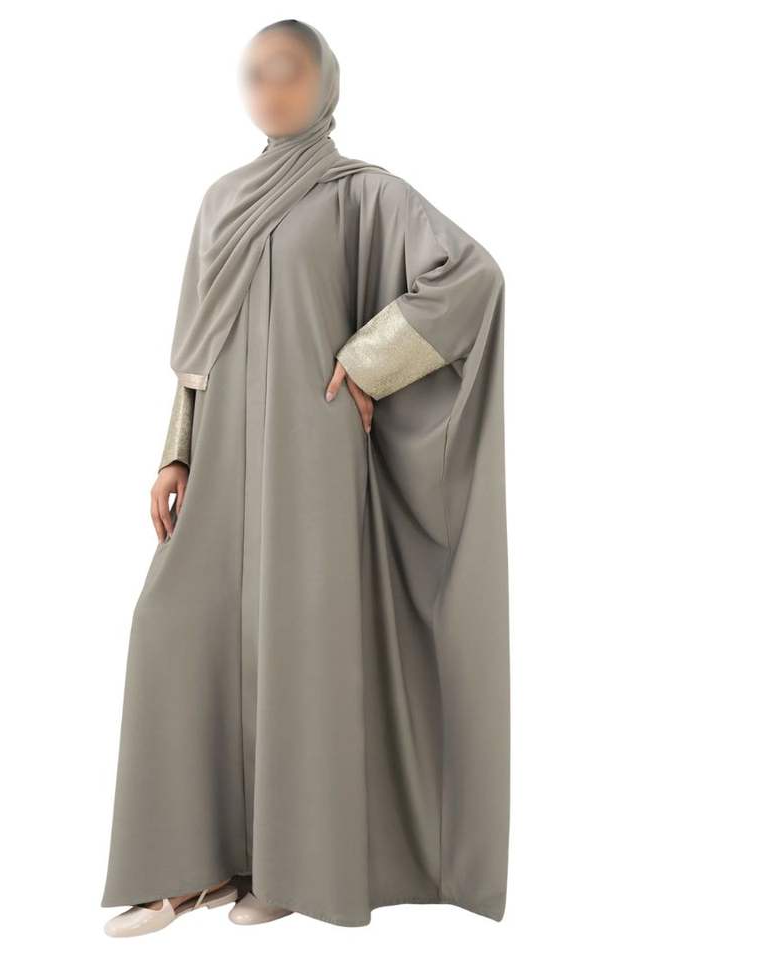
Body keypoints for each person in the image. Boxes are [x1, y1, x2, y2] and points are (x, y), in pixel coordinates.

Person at [101, 18, 509, 935]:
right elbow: (199, 348)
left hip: (312, 454)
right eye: (254, 74)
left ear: (325, 83)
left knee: (299, 646)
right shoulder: (221, 200)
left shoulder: (361, 194)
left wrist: (369, 361)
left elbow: (471, 276)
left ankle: (289, 869)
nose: (269, 89)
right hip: (221, 457)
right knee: (171, 625)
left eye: (288, 71)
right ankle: (181, 866)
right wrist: (175, 450)